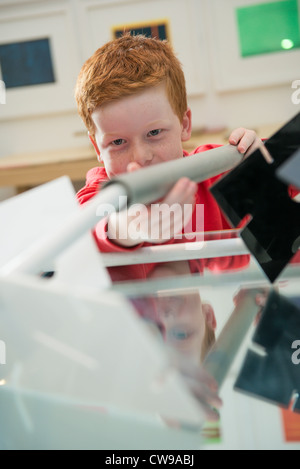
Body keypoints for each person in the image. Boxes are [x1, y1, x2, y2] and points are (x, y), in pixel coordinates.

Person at [75, 33, 263, 283]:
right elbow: (87, 230)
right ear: (97, 148)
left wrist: (265, 161)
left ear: (184, 125)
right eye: (117, 142)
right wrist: (128, 227)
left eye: (154, 133)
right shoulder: (100, 194)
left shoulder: (217, 168)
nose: (140, 158)